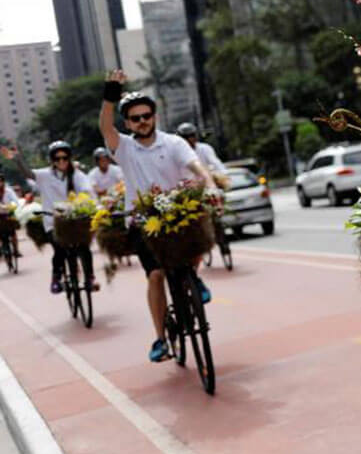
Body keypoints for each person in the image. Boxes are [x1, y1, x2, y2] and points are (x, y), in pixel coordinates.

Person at [99, 71, 217, 363]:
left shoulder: (174, 143)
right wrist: (110, 95)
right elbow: (105, 126)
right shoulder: (124, 147)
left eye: (147, 115)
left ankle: (194, 278)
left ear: (154, 116)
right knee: (156, 275)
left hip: (178, 211)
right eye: (135, 118)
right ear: (128, 123)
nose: (142, 121)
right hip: (143, 220)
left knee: (199, 237)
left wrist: (210, 183)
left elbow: (195, 166)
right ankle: (161, 339)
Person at [0, 141, 98, 293]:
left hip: (75, 220)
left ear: (69, 158)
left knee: (84, 247)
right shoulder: (45, 175)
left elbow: (87, 191)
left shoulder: (77, 175)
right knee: (59, 249)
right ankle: (56, 278)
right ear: (52, 160)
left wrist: (86, 204)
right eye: (57, 159)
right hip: (53, 222)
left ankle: (90, 278)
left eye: (65, 158)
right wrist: (17, 159)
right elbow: (28, 174)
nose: (61, 162)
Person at [0, 173, 21, 258]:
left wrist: (11, 206)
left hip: (9, 213)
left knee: (13, 233)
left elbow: (16, 201)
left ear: (3, 182)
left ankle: (16, 250)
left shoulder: (9, 191)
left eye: (0, 181)